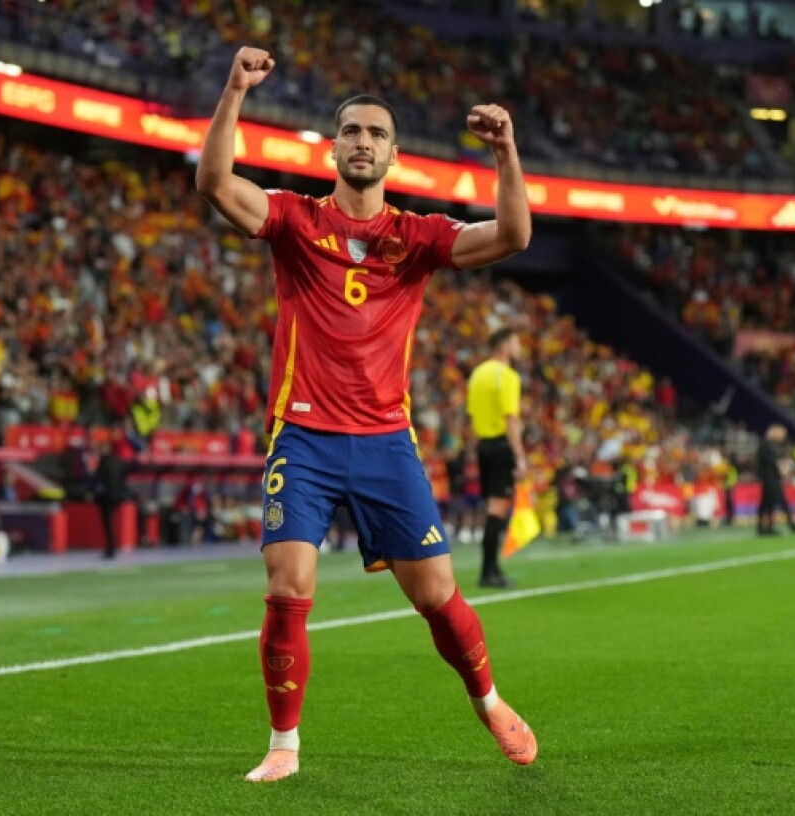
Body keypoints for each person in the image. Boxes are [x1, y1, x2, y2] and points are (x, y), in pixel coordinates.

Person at [196, 47, 536, 782]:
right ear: (335, 145)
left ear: (391, 153)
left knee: (437, 595)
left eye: (376, 134)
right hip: (306, 438)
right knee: (289, 582)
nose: (362, 142)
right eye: (351, 131)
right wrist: (234, 91)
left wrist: (506, 152)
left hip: (385, 442)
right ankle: (283, 746)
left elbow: (512, 237)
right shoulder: (294, 221)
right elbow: (215, 182)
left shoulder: (414, 240)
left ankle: (489, 699)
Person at [466, 327, 526, 588]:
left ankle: (488, 569)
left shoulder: (477, 373)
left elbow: (471, 417)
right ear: (503, 345)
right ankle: (489, 571)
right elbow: (510, 419)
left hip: (483, 445)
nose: (519, 347)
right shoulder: (507, 375)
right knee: (497, 508)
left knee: (490, 507)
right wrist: (520, 456)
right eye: (515, 341)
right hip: (502, 446)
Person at [755, 425, 795, 536]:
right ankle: (770, 527)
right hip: (772, 478)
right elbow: (776, 463)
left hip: (768, 477)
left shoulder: (765, 445)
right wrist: (784, 473)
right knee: (772, 503)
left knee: (766, 503)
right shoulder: (770, 446)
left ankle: (762, 527)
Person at [92, 438, 128, 559]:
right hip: (117, 495)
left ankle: (111, 547)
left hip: (106, 496)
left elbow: (99, 478)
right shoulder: (118, 461)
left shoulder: (104, 461)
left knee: (107, 522)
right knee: (111, 521)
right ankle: (112, 546)